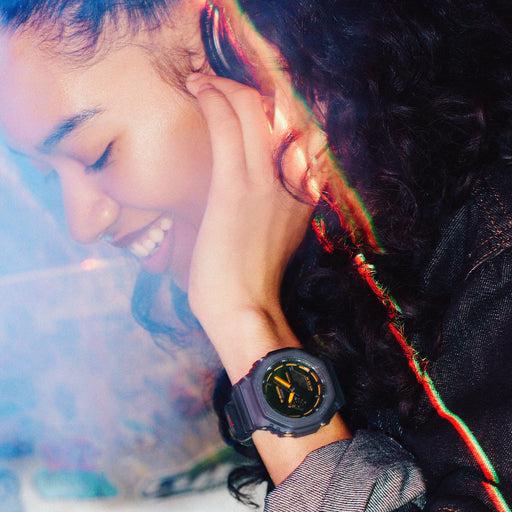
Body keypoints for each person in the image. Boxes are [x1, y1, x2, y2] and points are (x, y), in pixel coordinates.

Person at [0, 0, 511, 510]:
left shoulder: (494, 256)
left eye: (96, 155)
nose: (81, 225)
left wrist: (244, 317)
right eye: (47, 177)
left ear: (238, 47)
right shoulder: (327, 261)